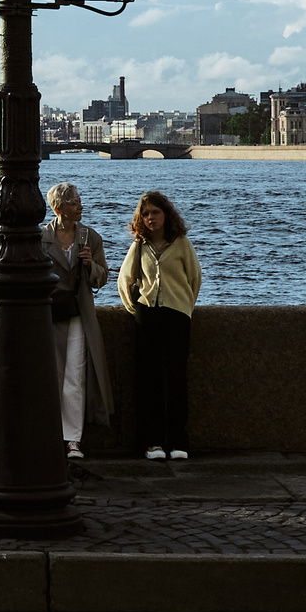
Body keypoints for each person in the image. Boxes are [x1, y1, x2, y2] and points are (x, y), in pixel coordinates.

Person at [118, 188, 201, 462]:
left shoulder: (181, 243)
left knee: (176, 379)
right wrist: (136, 308)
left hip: (176, 315)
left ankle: (178, 441)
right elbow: (125, 279)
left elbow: (194, 278)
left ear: (166, 214)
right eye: (146, 214)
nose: (151, 218)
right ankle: (152, 442)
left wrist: (184, 306)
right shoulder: (139, 246)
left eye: (155, 212)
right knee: (148, 380)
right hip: (148, 316)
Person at [43, 181, 115, 461]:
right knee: (51, 375)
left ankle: (73, 439)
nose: (80, 206)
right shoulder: (42, 238)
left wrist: (89, 264)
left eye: (79, 201)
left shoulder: (90, 237)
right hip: (50, 313)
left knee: (75, 375)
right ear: (59, 208)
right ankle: (49, 434)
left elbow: (103, 276)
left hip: (79, 313)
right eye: (74, 203)